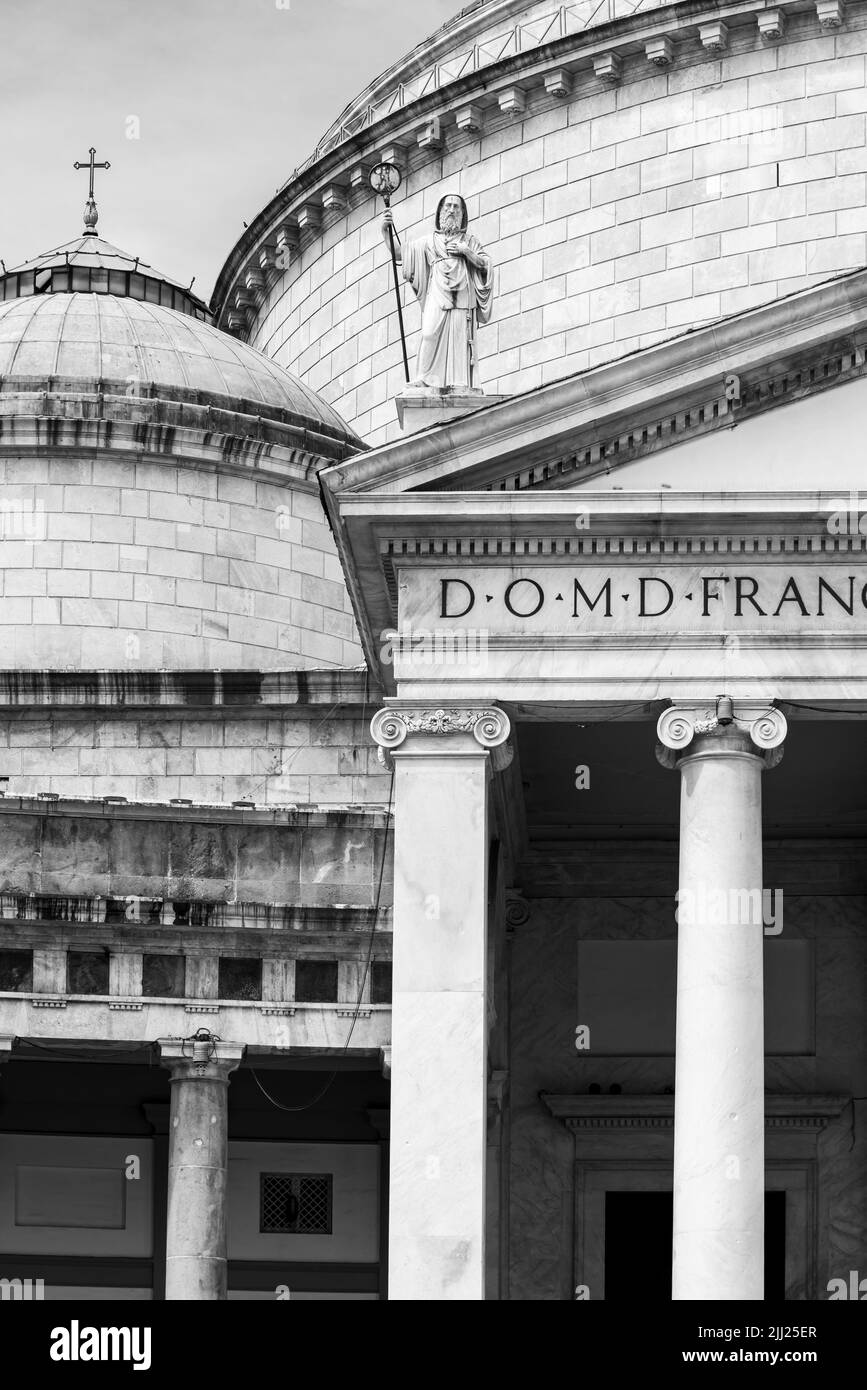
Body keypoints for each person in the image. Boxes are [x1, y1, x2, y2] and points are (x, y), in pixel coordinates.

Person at [382, 192, 494, 390]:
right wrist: (385, 230)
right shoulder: (429, 241)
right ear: (440, 212)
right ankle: (425, 378)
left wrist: (467, 252)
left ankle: (459, 383)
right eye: (448, 206)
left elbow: (485, 265)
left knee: (459, 337)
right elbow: (399, 253)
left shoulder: (470, 241)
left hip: (462, 293)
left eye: (456, 207)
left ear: (462, 214)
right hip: (437, 291)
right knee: (429, 333)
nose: (451, 210)